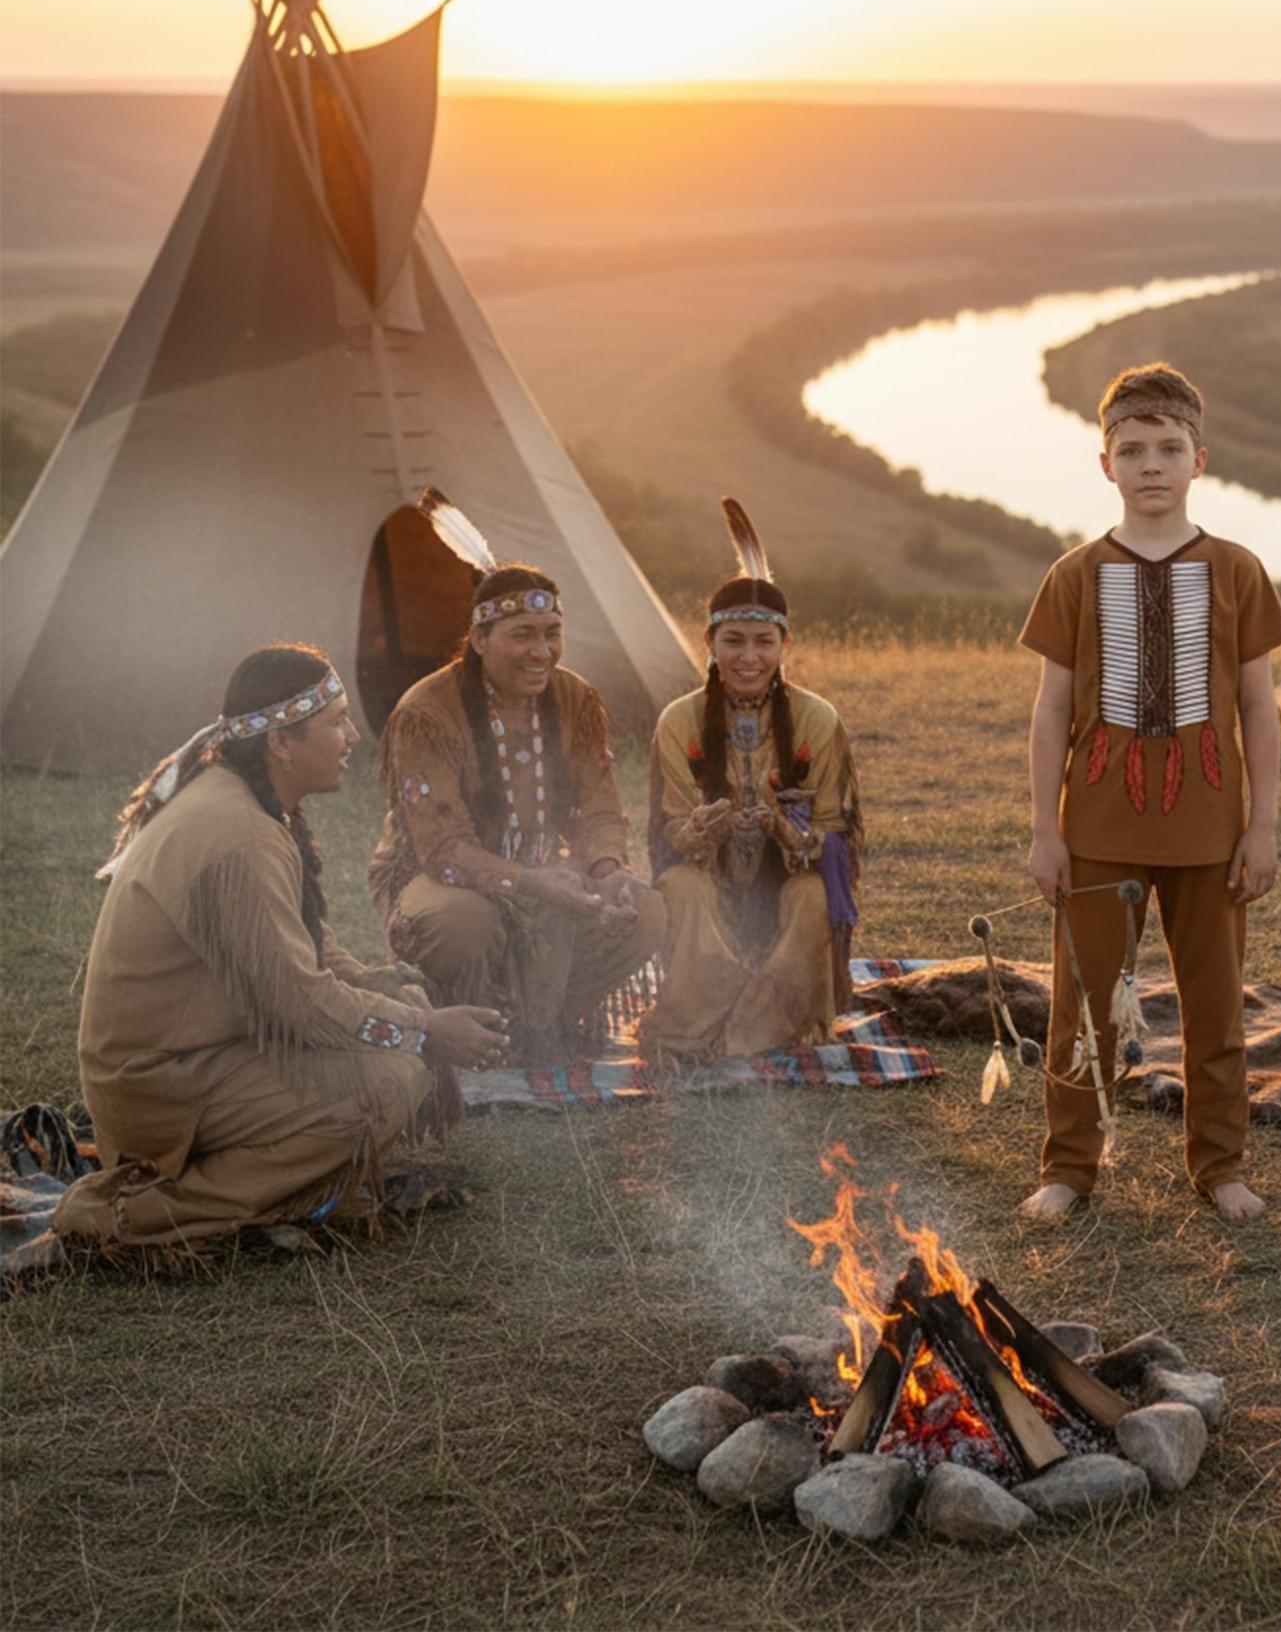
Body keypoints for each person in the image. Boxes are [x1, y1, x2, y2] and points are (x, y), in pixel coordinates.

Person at [54, 646, 507, 1254]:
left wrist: (392, 992)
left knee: (398, 1012)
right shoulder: (239, 835)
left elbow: (310, 954)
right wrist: (424, 1031)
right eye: (336, 721)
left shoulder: (252, 803)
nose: (353, 735)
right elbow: (298, 1000)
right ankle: (134, 1213)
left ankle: (298, 1182)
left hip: (192, 1059)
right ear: (282, 745)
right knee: (388, 1080)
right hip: (158, 1088)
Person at [1018, 363, 1281, 1222]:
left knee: (1216, 1004)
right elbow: (1051, 709)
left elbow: (1257, 707)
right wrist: (1044, 830)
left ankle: (1220, 1165)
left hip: (1210, 831)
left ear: (1199, 458)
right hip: (1096, 823)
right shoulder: (1073, 574)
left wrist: (1264, 827)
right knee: (1083, 1004)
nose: (1151, 465)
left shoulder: (1239, 571)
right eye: (1131, 449)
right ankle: (1069, 1167)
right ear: (1106, 464)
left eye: (1169, 448)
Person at [370, 550, 666, 1067]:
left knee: (643, 909)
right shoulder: (427, 713)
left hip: (546, 874)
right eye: (523, 634)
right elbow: (443, 851)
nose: (542, 651)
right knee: (465, 921)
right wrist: (532, 881)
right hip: (442, 882)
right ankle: (460, 1019)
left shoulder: (574, 700)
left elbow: (599, 809)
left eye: (552, 632)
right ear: (480, 640)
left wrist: (607, 870)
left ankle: (544, 1023)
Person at [637, 499, 864, 1061]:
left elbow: (840, 836)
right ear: (709, 645)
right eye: (734, 641)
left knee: (814, 895)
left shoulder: (818, 721)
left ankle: (764, 1021)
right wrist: (697, 831)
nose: (748, 656)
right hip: (708, 888)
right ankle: (695, 1022)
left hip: (785, 890)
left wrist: (797, 838)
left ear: (785, 647)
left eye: (764, 643)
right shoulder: (679, 722)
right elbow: (667, 837)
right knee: (682, 887)